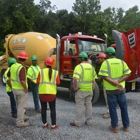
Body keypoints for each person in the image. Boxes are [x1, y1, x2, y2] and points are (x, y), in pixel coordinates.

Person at [98, 47, 131, 133]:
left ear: (108, 55)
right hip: (121, 90)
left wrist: (114, 83)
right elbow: (128, 73)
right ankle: (126, 127)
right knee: (124, 108)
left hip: (111, 90)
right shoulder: (122, 62)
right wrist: (119, 81)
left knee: (112, 109)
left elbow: (104, 76)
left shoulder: (105, 63)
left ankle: (115, 127)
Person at [70, 52, 97, 127]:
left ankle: (78, 122)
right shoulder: (91, 67)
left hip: (81, 90)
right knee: (89, 105)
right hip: (89, 90)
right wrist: (92, 88)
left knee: (80, 106)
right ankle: (89, 121)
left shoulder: (79, 67)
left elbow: (75, 79)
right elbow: (93, 80)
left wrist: (75, 89)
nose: (77, 59)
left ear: (81, 59)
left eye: (78, 58)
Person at [39, 57, 60, 130]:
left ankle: (45, 124)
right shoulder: (55, 72)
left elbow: (37, 82)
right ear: (52, 64)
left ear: (45, 64)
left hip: (42, 93)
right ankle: (53, 125)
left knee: (43, 109)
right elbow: (58, 82)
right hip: (52, 94)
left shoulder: (41, 71)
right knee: (53, 109)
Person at [10, 51, 30, 127]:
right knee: (22, 106)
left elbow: (8, 76)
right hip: (21, 90)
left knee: (19, 105)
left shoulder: (13, 66)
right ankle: (20, 122)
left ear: (18, 58)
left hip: (14, 89)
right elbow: (22, 80)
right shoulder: (21, 68)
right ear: (25, 60)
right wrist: (26, 88)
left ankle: (22, 117)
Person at [96, 53, 110, 118]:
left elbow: (101, 75)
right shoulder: (104, 64)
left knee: (108, 99)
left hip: (107, 85)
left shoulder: (104, 65)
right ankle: (108, 111)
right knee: (107, 99)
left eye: (99, 58)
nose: (98, 60)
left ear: (102, 59)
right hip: (106, 84)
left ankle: (109, 113)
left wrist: (98, 78)